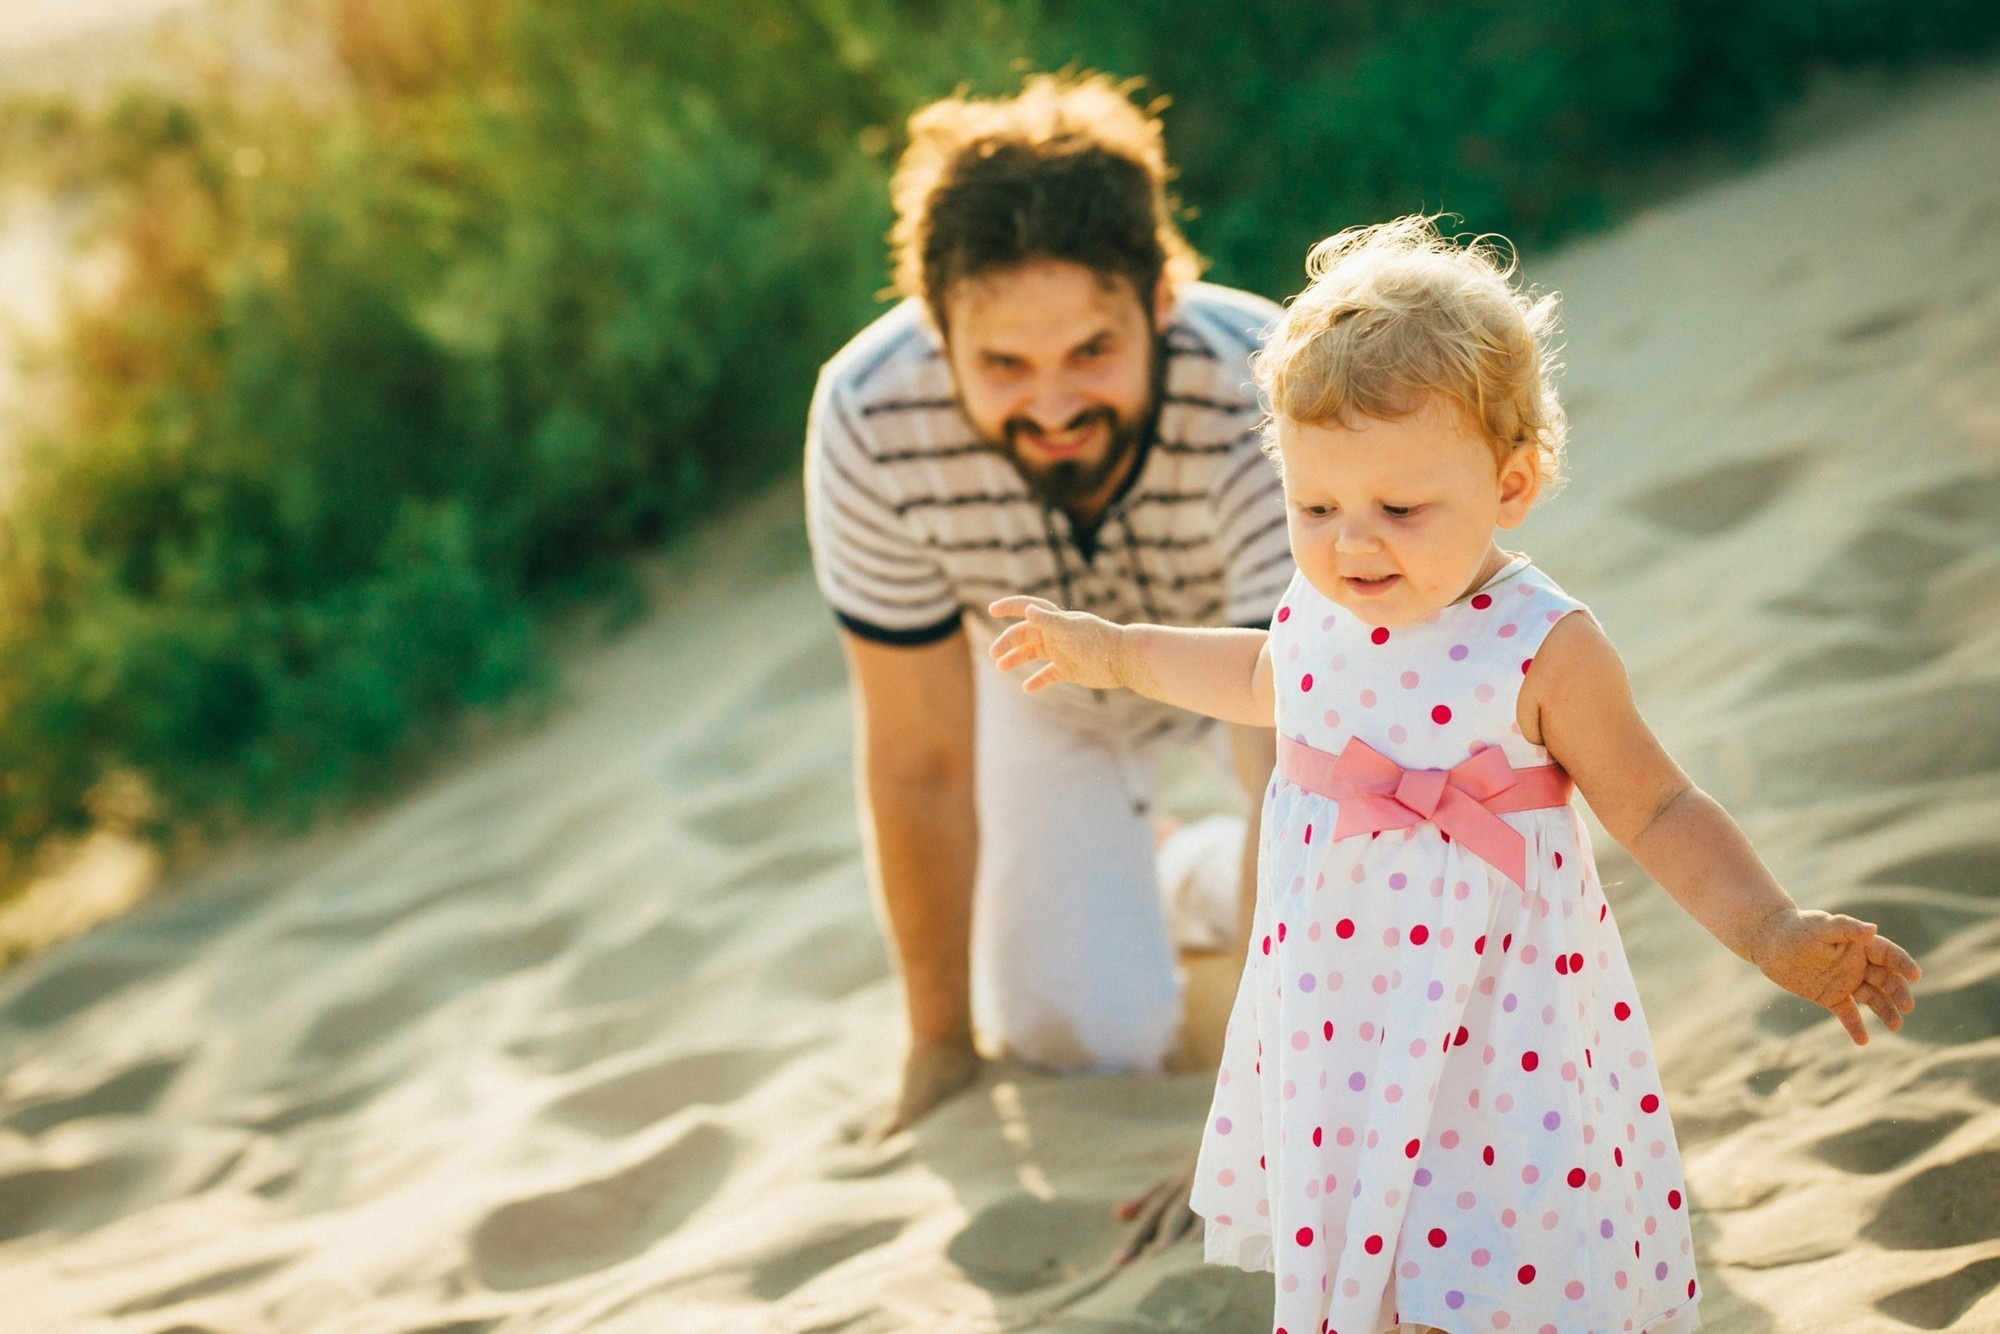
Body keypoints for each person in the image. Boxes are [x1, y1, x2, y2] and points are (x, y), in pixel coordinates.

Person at [988, 216, 1922, 1334]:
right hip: (1344, 1014)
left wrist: (1768, 928)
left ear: (1510, 484)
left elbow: (1658, 803)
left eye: (1398, 507)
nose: (1350, 545)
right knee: (1361, 1249)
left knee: (1490, 1247)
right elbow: (1258, 671)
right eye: (1314, 506)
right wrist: (1114, 649)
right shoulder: (1321, 613)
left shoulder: (1541, 643)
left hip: (1497, 1020)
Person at [802, 74, 1293, 1138]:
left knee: (1346, 958)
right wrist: (938, 1043)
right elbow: (917, 757)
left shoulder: (1266, 387)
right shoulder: (865, 416)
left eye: (1090, 351)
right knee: (1074, 1039)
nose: (1054, 404)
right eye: (1003, 364)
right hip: (1038, 684)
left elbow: (1290, 760)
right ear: (937, 333)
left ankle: (1184, 869)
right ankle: (1156, 870)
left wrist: (1266, 1081)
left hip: (1244, 676)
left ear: (1161, 297)